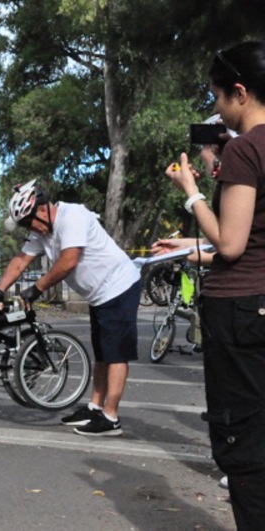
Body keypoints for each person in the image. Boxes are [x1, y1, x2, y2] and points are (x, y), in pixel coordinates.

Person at [152, 42, 265, 529]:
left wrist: (191, 192)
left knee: (244, 443)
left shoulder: (245, 148)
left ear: (240, 91)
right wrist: (189, 245)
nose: (216, 110)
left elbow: (232, 244)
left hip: (239, 309)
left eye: (217, 97)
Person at [0, 180, 140, 437]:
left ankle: (111, 417)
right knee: (102, 353)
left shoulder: (72, 215)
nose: (30, 229)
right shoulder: (42, 232)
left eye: (29, 223)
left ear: (41, 210)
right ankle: (95, 407)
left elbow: (69, 260)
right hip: (99, 296)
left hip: (119, 286)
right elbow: (20, 261)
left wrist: (37, 288)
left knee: (116, 354)